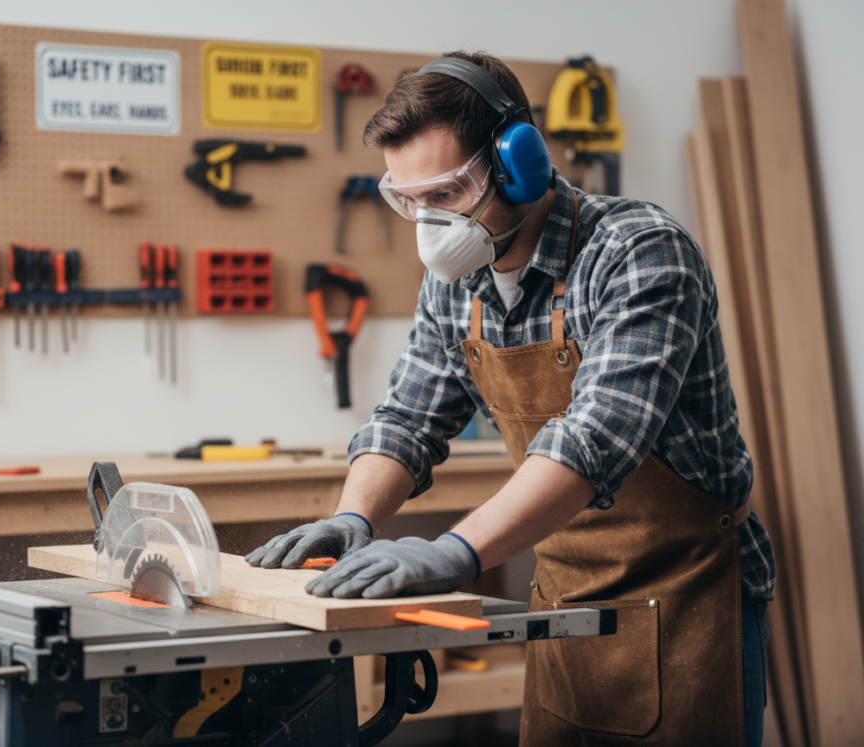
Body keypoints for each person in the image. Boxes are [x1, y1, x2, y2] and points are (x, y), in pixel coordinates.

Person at [246, 51, 775, 746]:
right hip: (565, 600)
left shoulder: (639, 254)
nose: (428, 225)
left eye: (447, 194)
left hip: (686, 596)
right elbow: (408, 416)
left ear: (517, 163)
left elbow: (591, 444)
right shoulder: (455, 280)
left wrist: (456, 551)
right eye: (408, 200)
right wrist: (354, 518)